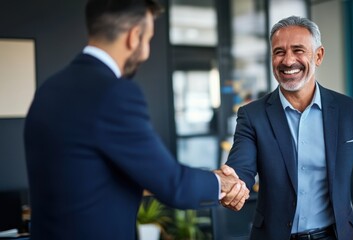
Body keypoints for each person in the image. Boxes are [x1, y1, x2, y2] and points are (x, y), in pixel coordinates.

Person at [24, 0, 248, 239]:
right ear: (134, 36)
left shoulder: (49, 89)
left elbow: (95, 173)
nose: (146, 51)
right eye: (148, 39)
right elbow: (173, 184)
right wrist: (222, 184)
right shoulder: (114, 93)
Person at [220, 16, 353, 240]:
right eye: (279, 52)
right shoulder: (252, 115)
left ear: (319, 55)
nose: (288, 61)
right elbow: (241, 170)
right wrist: (230, 185)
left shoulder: (351, 111)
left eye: (298, 50)